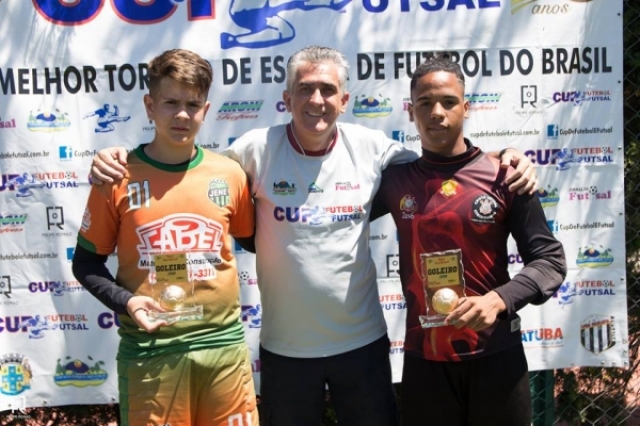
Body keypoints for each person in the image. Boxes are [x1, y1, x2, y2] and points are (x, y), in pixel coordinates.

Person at [89, 46, 538, 426]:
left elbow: (446, 162)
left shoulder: (373, 149)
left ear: (344, 99)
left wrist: (505, 157)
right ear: (287, 98)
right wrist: (117, 158)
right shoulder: (253, 151)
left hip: (362, 344)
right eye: (305, 89)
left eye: (327, 90)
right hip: (285, 351)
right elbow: (188, 171)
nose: (316, 100)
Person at [370, 54, 567, 426]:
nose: (437, 113)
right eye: (425, 103)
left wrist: (499, 300)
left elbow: (550, 261)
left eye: (448, 101)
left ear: (466, 107)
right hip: (425, 359)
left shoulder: (505, 177)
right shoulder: (395, 181)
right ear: (410, 112)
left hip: (496, 356)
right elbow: (338, 212)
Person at [72, 49, 258, 426]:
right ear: (150, 106)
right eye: (171, 102)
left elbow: (259, 241)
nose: (182, 115)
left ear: (206, 109)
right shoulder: (117, 177)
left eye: (193, 104)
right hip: (150, 351)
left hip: (223, 349)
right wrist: (127, 301)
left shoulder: (230, 174)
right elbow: (86, 263)